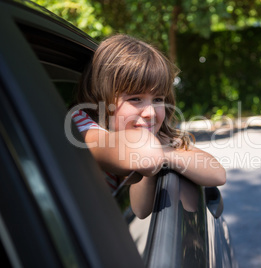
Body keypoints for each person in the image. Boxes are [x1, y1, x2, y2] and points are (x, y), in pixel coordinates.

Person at [72, 34, 226, 218]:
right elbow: (148, 155)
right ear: (100, 98)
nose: (151, 113)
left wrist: (162, 151)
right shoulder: (81, 124)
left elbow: (218, 174)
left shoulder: (150, 139)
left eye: (158, 99)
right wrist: (163, 151)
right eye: (135, 99)